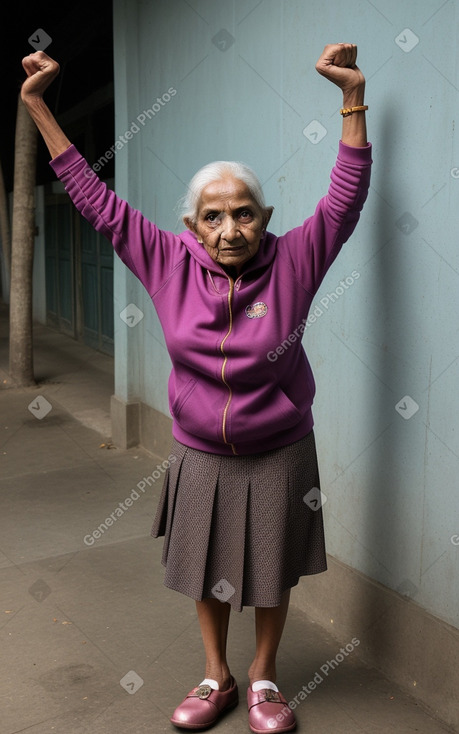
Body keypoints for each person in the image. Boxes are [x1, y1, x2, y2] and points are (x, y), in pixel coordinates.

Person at [21, 43, 371, 733]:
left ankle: (266, 678)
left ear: (264, 218)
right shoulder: (163, 258)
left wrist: (351, 97)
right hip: (200, 450)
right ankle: (216, 676)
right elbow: (93, 198)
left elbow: (345, 197)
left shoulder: (296, 257)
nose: (230, 228)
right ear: (191, 228)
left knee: (270, 574)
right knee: (208, 569)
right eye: (212, 216)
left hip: (279, 447)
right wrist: (36, 105)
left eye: (244, 213)